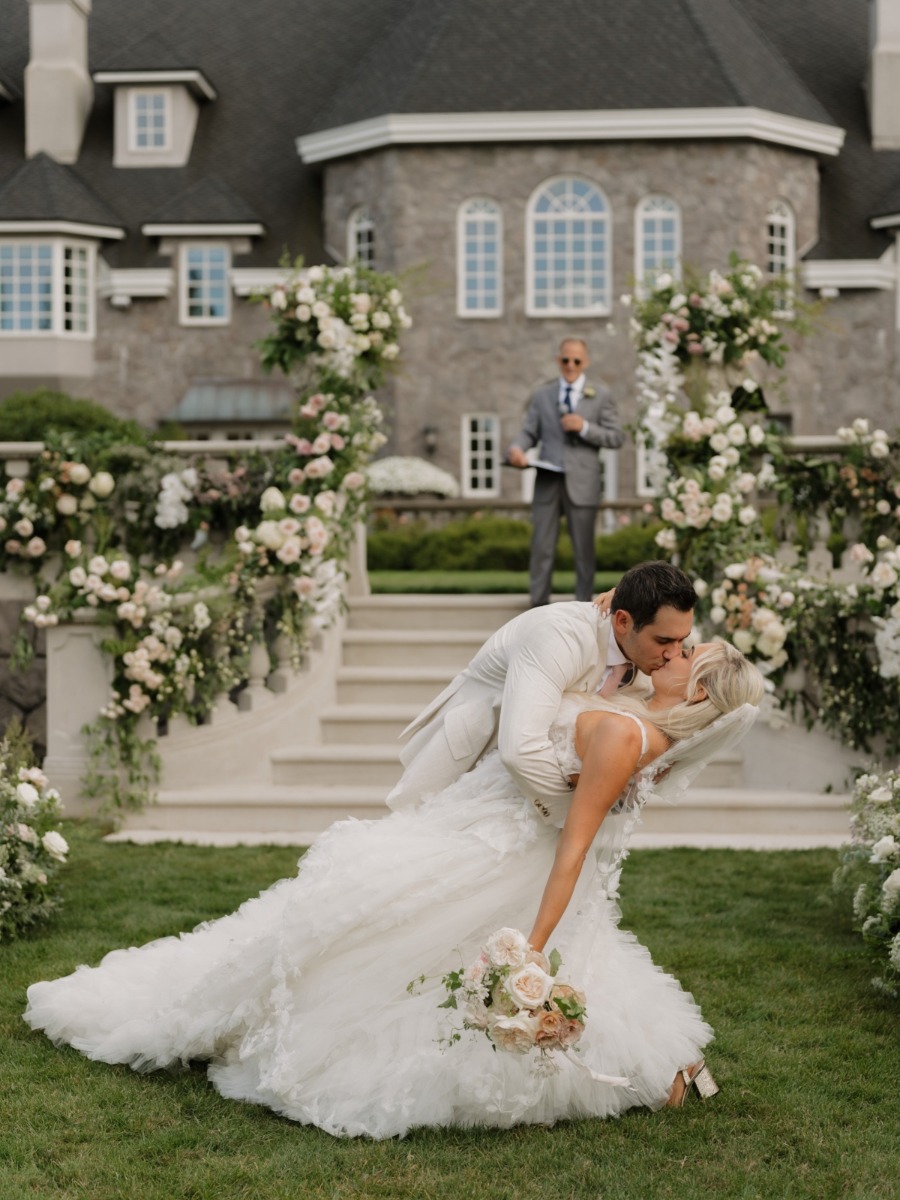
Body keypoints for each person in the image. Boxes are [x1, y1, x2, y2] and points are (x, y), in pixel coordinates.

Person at [24, 633, 764, 1138]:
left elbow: (574, 847)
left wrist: (532, 950)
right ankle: (665, 1068)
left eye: (687, 652)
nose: (673, 649)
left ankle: (646, 1066)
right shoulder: (642, 722)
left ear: (694, 685)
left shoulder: (623, 735)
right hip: (480, 825)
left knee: (371, 936)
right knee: (360, 926)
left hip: (497, 850)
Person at [387, 559, 696, 813]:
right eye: (664, 641)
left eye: (682, 640)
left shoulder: (654, 660)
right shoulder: (558, 635)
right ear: (623, 622)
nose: (674, 653)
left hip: (534, 787)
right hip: (473, 756)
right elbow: (520, 751)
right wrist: (576, 814)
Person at [507, 337, 626, 606]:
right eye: (565, 360)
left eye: (576, 361)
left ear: (586, 362)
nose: (570, 365)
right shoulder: (542, 395)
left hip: (583, 483)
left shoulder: (602, 395)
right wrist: (517, 448)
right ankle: (536, 609)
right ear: (557, 360)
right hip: (548, 480)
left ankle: (585, 610)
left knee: (584, 552)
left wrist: (584, 427)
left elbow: (616, 437)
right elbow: (529, 432)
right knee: (541, 549)